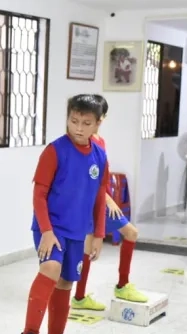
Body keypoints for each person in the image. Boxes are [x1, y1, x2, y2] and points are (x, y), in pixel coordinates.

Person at [20, 94, 108, 334]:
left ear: (98, 124)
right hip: (52, 226)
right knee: (51, 268)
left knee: (67, 281)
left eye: (86, 122)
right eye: (73, 121)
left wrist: (99, 234)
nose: (78, 128)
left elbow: (100, 196)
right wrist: (46, 231)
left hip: (77, 230)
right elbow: (39, 195)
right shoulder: (55, 150)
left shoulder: (100, 156)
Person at [72, 94, 148, 311]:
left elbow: (99, 175)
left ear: (100, 119)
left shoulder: (98, 141)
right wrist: (108, 200)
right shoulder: (83, 142)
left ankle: (79, 297)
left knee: (87, 248)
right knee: (131, 233)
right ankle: (122, 285)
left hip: (96, 199)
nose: (83, 125)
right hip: (92, 201)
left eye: (91, 119)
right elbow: (88, 177)